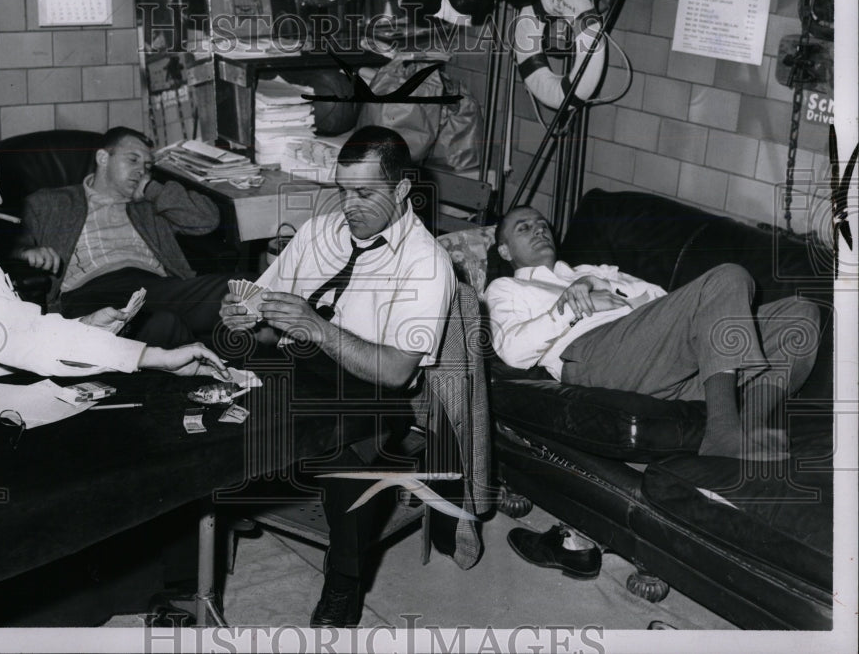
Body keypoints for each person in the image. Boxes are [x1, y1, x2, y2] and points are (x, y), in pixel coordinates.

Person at [219, 126, 455, 627]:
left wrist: (316, 328)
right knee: (207, 390)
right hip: (298, 362)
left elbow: (394, 371)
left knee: (354, 446)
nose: (349, 206)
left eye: (365, 193)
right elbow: (261, 320)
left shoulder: (427, 265)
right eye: (343, 190)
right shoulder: (318, 232)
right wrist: (243, 317)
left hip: (371, 387)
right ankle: (218, 514)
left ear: (403, 190)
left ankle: (343, 585)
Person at [0, 121, 228, 390]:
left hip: (9, 388)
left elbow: (19, 326)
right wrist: (153, 357)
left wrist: (86, 325)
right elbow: (28, 342)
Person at [484, 206, 821, 460]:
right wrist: (574, 307)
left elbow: (662, 298)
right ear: (504, 250)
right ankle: (723, 433)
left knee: (801, 316)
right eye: (524, 228)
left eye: (542, 224)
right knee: (729, 276)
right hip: (594, 356)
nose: (539, 230)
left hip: (658, 357)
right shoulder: (506, 287)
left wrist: (597, 286)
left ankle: (749, 424)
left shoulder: (593, 271)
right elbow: (512, 350)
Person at [12, 127, 228, 348]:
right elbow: (7, 243)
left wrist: (152, 189)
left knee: (241, 287)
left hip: (153, 287)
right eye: (132, 160)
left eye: (147, 166)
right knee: (164, 325)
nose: (141, 171)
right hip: (88, 294)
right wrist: (26, 252)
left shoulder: (149, 206)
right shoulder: (51, 202)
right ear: (103, 158)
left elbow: (207, 220)